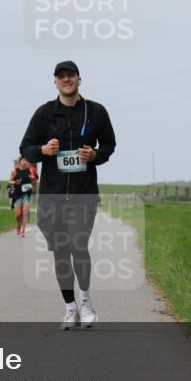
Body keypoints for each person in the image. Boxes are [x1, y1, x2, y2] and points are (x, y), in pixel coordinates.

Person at [20, 60, 116, 329]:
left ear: (79, 79)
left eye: (70, 75)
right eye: (61, 76)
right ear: (55, 82)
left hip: (84, 193)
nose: (66, 80)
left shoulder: (96, 112)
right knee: (61, 252)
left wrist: (95, 155)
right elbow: (25, 147)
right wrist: (43, 151)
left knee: (78, 245)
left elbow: (110, 143)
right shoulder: (44, 114)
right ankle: (69, 307)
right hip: (53, 195)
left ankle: (86, 302)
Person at [9, 157, 37, 236]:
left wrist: (32, 178)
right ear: (20, 161)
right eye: (23, 160)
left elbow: (34, 180)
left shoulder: (29, 171)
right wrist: (15, 182)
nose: (25, 162)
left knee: (25, 212)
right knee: (18, 215)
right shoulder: (15, 171)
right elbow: (9, 181)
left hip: (26, 194)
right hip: (17, 194)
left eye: (26, 161)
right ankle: (18, 226)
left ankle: (23, 230)